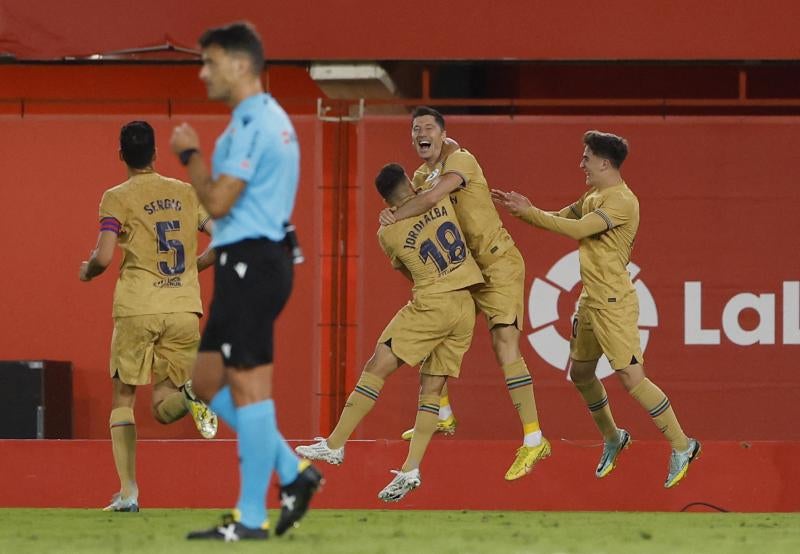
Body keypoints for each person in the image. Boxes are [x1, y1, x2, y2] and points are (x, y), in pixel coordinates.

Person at [169, 21, 321, 541]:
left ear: (239, 64)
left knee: (250, 391)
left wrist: (189, 155)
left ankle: (250, 517)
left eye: (209, 61)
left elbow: (216, 202)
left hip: (251, 263)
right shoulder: (262, 118)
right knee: (207, 382)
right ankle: (295, 472)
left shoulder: (252, 124)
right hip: (253, 259)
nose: (202, 72)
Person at [491, 130, 701, 488]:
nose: (581, 163)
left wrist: (531, 214)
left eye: (586, 157)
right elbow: (560, 216)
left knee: (632, 380)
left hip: (615, 304)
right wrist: (523, 211)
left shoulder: (622, 201)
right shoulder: (594, 195)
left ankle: (683, 445)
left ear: (605, 162)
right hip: (589, 301)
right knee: (582, 374)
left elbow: (576, 229)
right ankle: (614, 437)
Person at [380, 107, 550, 481]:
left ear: (442, 134)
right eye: (415, 130)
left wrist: (395, 214)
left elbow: (426, 202)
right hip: (466, 271)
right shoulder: (423, 175)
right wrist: (392, 213)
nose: (421, 134)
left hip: (499, 265)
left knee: (505, 346)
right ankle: (441, 414)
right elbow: (420, 207)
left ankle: (534, 438)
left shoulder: (462, 160)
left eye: (428, 128)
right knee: (439, 332)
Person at [296, 163, 483, 502]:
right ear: (409, 182)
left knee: (376, 365)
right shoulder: (437, 196)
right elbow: (435, 187)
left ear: (384, 202)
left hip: (433, 302)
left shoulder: (387, 232)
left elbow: (407, 270)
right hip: (466, 304)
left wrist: (394, 217)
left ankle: (336, 444)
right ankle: (411, 468)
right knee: (432, 387)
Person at [78, 120, 219, 513]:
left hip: (138, 308)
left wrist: (88, 270)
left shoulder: (116, 197)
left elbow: (104, 257)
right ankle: (193, 394)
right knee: (164, 404)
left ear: (121, 155)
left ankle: (128, 493)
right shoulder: (186, 193)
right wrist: (195, 267)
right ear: (156, 154)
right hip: (183, 309)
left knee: (124, 397)